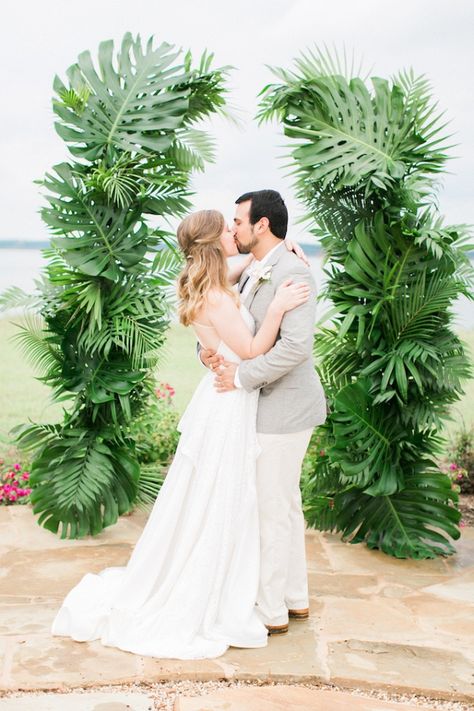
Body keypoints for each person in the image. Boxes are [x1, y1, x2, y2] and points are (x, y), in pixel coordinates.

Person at [51, 208, 310, 660]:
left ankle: (248, 581)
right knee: (225, 496)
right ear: (214, 243)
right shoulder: (213, 292)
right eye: (229, 230)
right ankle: (216, 586)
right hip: (229, 402)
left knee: (226, 494)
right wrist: (280, 309)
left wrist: (284, 251)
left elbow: (250, 267)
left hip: (224, 398)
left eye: (237, 225)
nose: (235, 232)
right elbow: (249, 348)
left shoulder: (210, 276)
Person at [200, 190, 327, 635]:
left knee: (272, 509)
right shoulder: (255, 267)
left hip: (285, 407)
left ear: (262, 225)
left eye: (238, 220)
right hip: (269, 406)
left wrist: (239, 378)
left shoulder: (292, 273)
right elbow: (224, 318)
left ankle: (270, 610)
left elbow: (295, 347)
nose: (232, 228)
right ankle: (294, 598)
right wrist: (209, 351)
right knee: (285, 505)